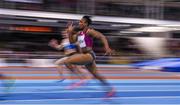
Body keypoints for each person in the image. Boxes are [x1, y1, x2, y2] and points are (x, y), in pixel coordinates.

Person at [60, 16, 115, 97]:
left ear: (86, 23)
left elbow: (102, 37)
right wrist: (70, 33)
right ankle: (110, 89)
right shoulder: (79, 33)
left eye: (81, 22)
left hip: (89, 55)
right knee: (96, 75)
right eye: (79, 21)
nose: (79, 23)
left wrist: (107, 48)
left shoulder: (90, 31)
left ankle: (82, 79)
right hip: (86, 56)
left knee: (67, 61)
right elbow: (72, 42)